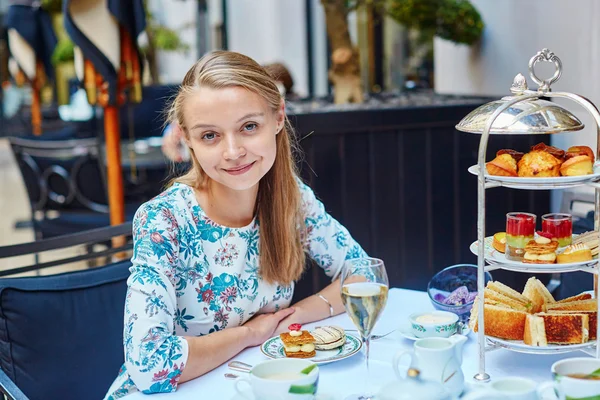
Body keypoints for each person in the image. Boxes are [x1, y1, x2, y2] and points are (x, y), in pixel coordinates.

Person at [104, 51, 367, 398]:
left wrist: (295, 316)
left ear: (278, 118)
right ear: (188, 140)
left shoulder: (292, 199)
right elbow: (149, 365)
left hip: (255, 383)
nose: (233, 151)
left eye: (248, 127)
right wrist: (250, 335)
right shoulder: (164, 220)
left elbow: (365, 276)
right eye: (210, 135)